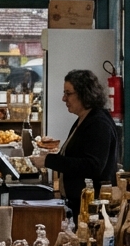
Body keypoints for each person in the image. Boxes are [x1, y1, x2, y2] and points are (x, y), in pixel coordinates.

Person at [33, 69, 119, 215]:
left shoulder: (98, 123)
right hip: (79, 204)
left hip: (91, 208)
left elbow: (92, 166)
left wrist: (49, 160)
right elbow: (73, 157)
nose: (64, 98)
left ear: (84, 93)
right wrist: (48, 156)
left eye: (68, 93)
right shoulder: (84, 118)